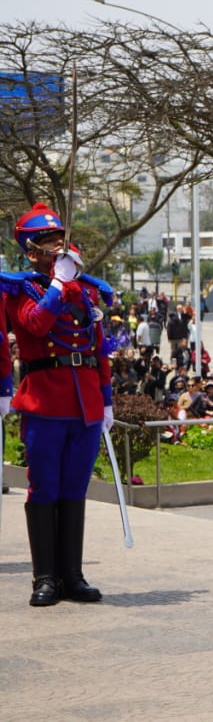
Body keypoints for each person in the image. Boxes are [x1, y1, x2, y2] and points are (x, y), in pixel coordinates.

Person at [0, 203, 115, 607]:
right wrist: (57, 286)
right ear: (31, 253)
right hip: (45, 401)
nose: (58, 251)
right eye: (48, 246)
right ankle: (45, 578)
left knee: (74, 488)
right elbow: (34, 324)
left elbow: (98, 348)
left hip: (84, 402)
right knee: (45, 488)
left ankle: (73, 575)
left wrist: (106, 400)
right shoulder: (19, 289)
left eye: (60, 243)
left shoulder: (87, 291)